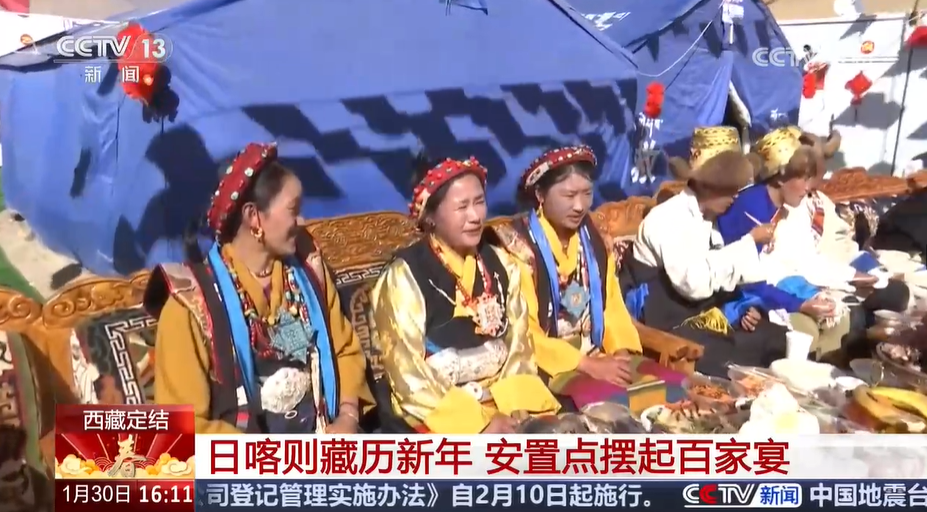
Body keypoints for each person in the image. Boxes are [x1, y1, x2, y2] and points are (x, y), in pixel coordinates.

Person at [144, 143, 372, 434]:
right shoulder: (189, 306)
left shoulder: (308, 270)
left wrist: (348, 417)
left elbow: (345, 351)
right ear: (253, 217)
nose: (302, 221)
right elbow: (185, 428)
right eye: (293, 210)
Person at [370, 153, 560, 434]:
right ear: (430, 217)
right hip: (436, 410)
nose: (475, 216)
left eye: (479, 202)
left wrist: (515, 408)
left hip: (503, 400)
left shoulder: (503, 263)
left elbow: (519, 344)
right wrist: (479, 424)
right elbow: (406, 371)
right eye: (462, 206)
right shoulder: (404, 276)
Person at [621, 126, 787, 377]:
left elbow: (722, 279)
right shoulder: (667, 218)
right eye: (729, 188)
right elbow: (693, 283)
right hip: (667, 321)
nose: (735, 197)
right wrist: (748, 242)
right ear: (709, 184)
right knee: (727, 356)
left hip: (701, 313)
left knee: (778, 339)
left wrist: (743, 308)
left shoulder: (710, 219)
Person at [491, 145, 642, 386]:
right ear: (540, 195)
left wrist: (621, 353)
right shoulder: (519, 249)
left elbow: (611, 305)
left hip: (599, 353)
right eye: (569, 196)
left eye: (587, 193)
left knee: (663, 393)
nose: (580, 206)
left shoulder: (594, 239)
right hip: (548, 366)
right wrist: (587, 365)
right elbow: (524, 331)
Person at [716, 127, 853, 360]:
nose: (808, 188)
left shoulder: (778, 207)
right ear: (780, 177)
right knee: (805, 331)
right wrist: (800, 304)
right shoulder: (751, 208)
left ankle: (820, 372)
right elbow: (745, 277)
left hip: (772, 288)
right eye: (803, 178)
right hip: (738, 298)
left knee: (838, 319)